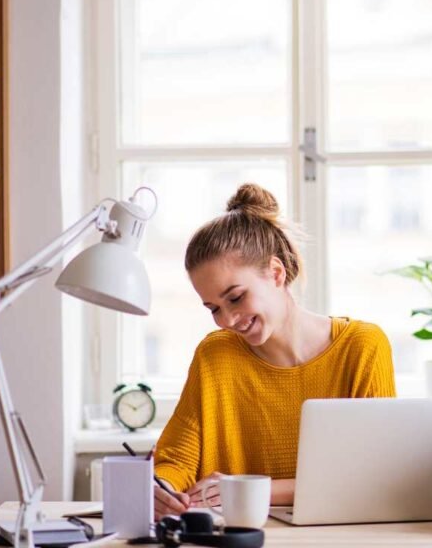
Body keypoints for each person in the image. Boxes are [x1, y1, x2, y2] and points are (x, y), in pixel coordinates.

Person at [153, 183, 396, 519]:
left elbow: (372, 476)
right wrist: (161, 489)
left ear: (276, 272)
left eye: (235, 298)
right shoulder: (215, 355)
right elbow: (177, 459)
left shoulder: (362, 347)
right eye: (213, 308)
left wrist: (245, 489)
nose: (227, 319)